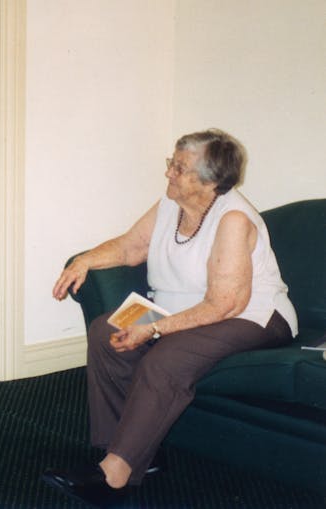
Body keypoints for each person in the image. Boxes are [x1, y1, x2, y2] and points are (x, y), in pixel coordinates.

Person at [45, 129, 297, 506]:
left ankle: (114, 477)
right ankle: (126, 453)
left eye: (179, 168)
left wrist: (154, 329)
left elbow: (224, 303)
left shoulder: (233, 219)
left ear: (209, 181)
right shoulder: (170, 203)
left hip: (250, 314)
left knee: (167, 358)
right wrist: (85, 260)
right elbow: (132, 246)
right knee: (105, 331)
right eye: (172, 163)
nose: (169, 174)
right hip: (184, 308)